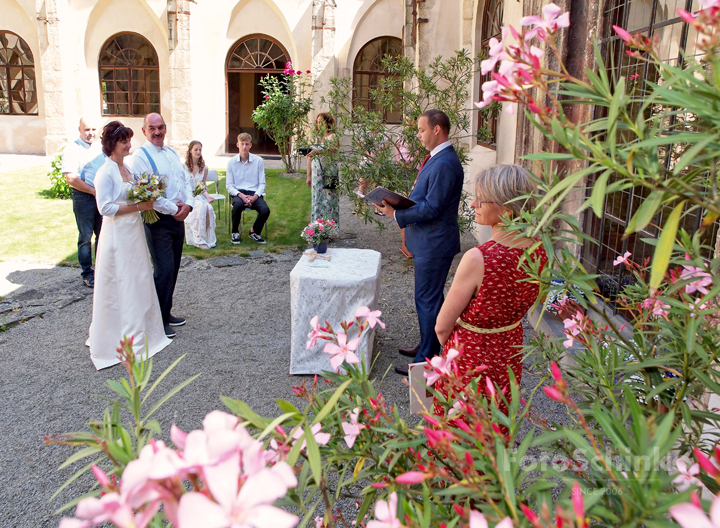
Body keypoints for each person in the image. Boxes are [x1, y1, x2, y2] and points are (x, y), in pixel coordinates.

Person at [432, 164, 548, 415]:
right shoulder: (538, 249)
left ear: (505, 209)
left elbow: (442, 326)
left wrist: (451, 347)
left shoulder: (479, 258)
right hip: (510, 348)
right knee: (497, 421)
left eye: (480, 200)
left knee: (460, 428)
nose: (473, 204)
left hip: (472, 354)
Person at [376, 109, 464, 376]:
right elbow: (427, 200)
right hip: (429, 241)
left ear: (437, 129)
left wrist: (397, 213)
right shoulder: (438, 158)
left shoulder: (446, 162)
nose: (418, 135)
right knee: (427, 298)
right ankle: (427, 344)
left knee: (427, 299)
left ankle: (428, 357)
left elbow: (432, 208)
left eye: (421, 130)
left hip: (435, 243)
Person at [88, 121, 172, 370]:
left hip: (133, 232)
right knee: (122, 281)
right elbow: (105, 208)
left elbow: (135, 193)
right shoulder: (105, 172)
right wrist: (139, 206)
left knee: (138, 277)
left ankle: (145, 329)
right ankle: (120, 335)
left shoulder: (125, 167)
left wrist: (148, 196)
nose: (129, 145)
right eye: (124, 141)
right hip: (117, 236)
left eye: (128, 140)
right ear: (112, 145)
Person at [130, 113, 194, 338]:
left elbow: (186, 181)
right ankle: (156, 321)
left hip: (179, 217)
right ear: (144, 131)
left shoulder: (172, 153)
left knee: (174, 268)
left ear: (166, 128)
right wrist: (174, 208)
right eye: (152, 128)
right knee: (163, 270)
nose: (157, 132)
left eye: (161, 127)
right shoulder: (140, 156)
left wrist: (188, 205)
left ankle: (166, 313)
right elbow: (149, 194)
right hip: (158, 220)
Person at [62, 117, 103, 288]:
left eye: (94, 129)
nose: (91, 133)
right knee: (86, 237)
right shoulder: (72, 149)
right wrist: (93, 191)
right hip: (84, 197)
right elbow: (71, 177)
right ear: (79, 129)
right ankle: (87, 273)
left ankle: (103, 271)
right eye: (87, 129)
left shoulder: (100, 149)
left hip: (101, 197)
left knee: (103, 235)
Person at [227, 133, 270, 244]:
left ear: (250, 145)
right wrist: (241, 195)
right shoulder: (231, 162)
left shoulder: (258, 161)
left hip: (253, 192)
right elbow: (229, 185)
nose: (244, 147)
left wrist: (254, 197)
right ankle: (235, 232)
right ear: (237, 145)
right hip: (238, 192)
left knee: (265, 210)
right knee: (238, 205)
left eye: (247, 144)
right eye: (242, 144)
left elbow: (262, 183)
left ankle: (254, 232)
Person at [306, 113, 339, 225]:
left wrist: (318, 151)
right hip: (317, 173)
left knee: (330, 200)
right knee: (317, 200)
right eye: (318, 122)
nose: (319, 124)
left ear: (328, 123)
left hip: (330, 172)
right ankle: (317, 227)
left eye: (322, 122)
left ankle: (331, 228)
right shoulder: (317, 138)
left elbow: (332, 150)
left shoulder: (333, 136)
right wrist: (308, 176)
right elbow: (309, 157)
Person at [183, 140, 217, 250]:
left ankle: (207, 239)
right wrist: (190, 195)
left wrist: (207, 196)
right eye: (196, 149)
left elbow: (202, 186)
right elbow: (181, 185)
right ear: (190, 151)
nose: (198, 152)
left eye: (200, 150)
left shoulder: (204, 168)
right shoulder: (183, 167)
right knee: (201, 207)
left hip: (199, 196)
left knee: (209, 209)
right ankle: (198, 239)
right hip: (187, 196)